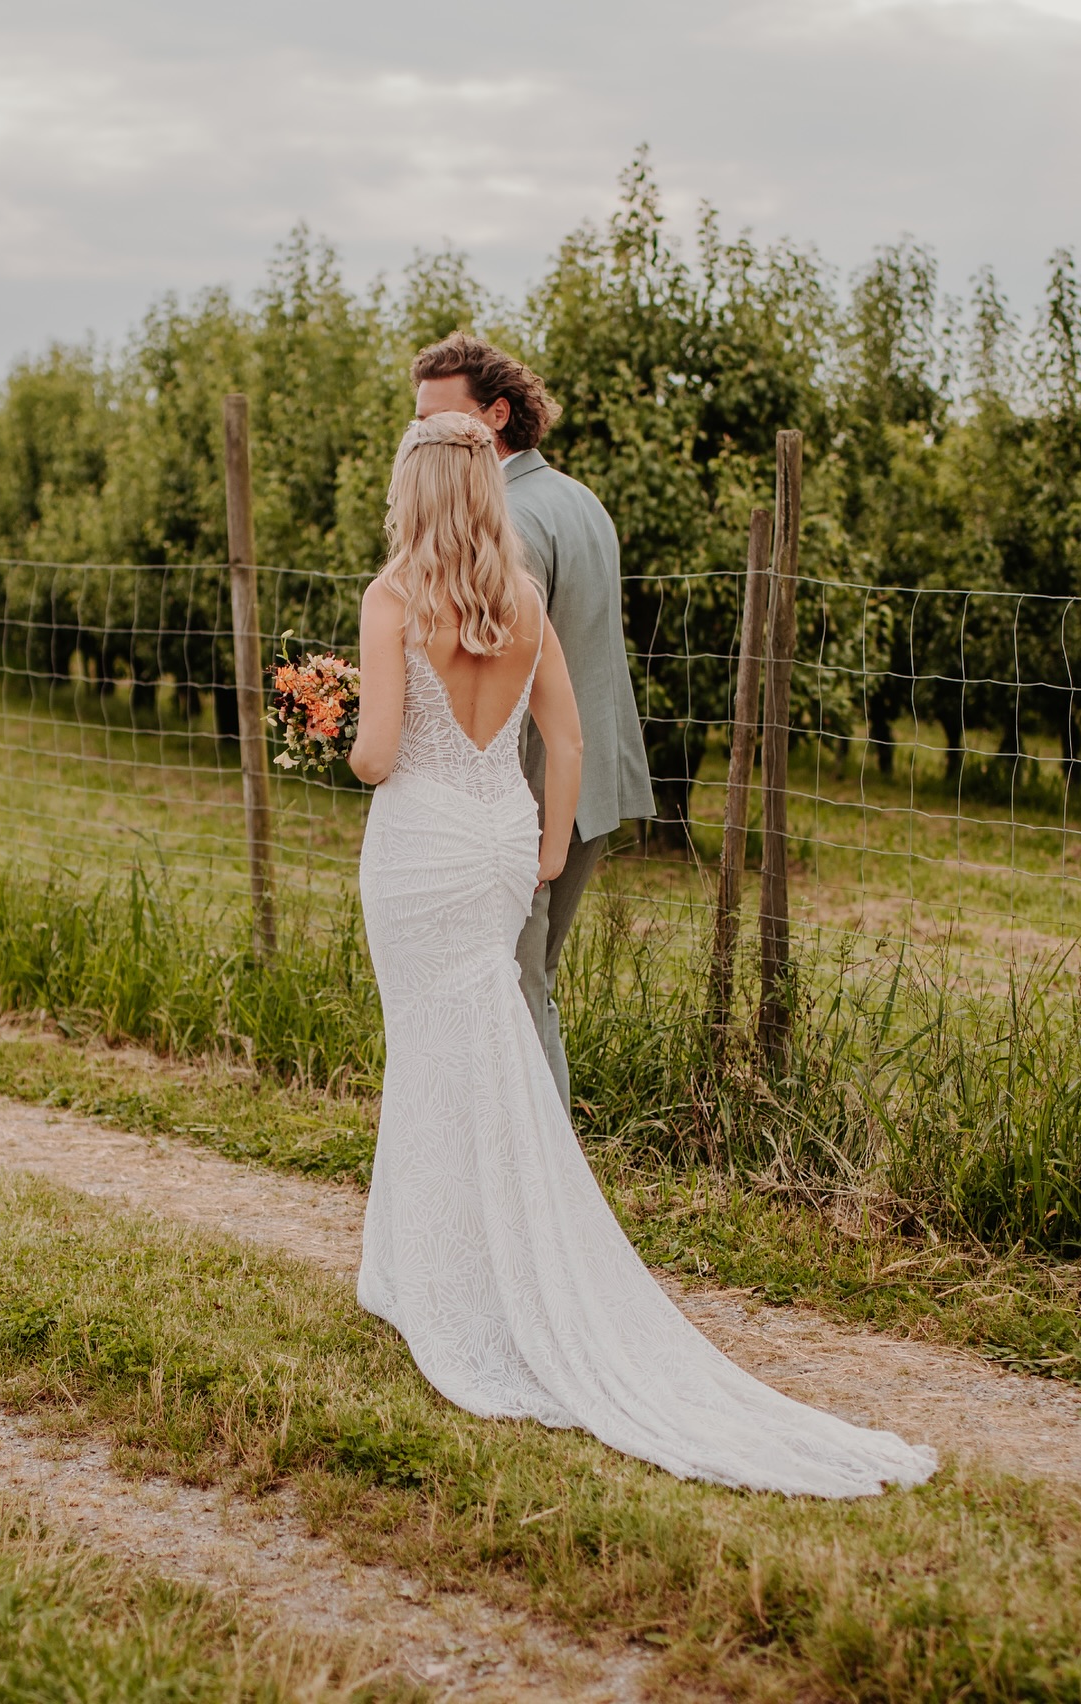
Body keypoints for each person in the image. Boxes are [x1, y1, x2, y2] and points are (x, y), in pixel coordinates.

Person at [348, 410, 936, 1495]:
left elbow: (380, 756)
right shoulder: (520, 601)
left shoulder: (392, 600)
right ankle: (416, 1266)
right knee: (485, 1042)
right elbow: (565, 740)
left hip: (423, 846)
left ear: (411, 489)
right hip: (498, 839)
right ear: (483, 487)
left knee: (429, 1048)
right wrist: (548, 842)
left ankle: (437, 1283)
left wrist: (342, 723)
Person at [407, 333, 654, 1117]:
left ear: (497, 415)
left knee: (515, 989)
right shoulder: (581, 501)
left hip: (527, 791)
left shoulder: (500, 520)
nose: (420, 442)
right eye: (417, 424)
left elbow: (502, 680)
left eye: (439, 423)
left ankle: (542, 1186)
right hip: (591, 781)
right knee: (528, 980)